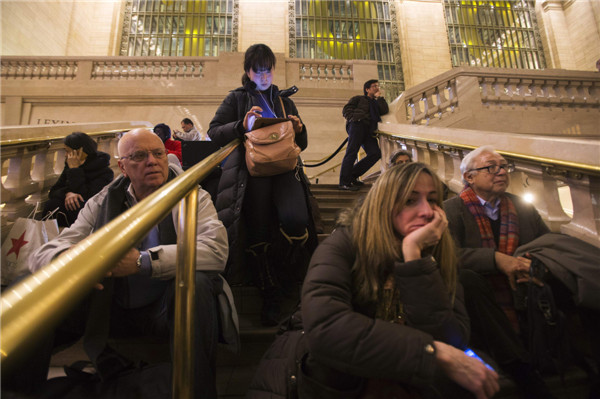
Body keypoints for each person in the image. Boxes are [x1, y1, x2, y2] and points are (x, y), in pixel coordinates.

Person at [4, 128, 230, 399]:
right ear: (122, 166)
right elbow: (48, 250)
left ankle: (197, 391)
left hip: (167, 306)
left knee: (198, 284)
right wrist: (70, 262)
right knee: (29, 287)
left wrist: (143, 262)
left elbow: (216, 251)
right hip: (110, 303)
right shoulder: (104, 199)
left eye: (158, 153)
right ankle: (17, 391)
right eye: (139, 155)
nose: (152, 161)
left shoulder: (193, 196)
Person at [297, 163, 499, 398]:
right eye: (410, 201)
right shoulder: (343, 245)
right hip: (344, 381)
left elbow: (451, 337)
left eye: (433, 200)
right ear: (384, 205)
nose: (426, 211)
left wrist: (413, 257)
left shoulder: (438, 253)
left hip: (411, 380)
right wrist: (429, 351)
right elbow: (326, 329)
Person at [207, 43, 317, 326]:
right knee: (258, 232)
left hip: (285, 171)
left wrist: (300, 129)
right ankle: (270, 292)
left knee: (296, 220)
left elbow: (300, 144)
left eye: (269, 70)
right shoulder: (238, 98)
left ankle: (288, 279)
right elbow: (214, 131)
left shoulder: (284, 100)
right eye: (260, 71)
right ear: (248, 71)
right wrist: (241, 125)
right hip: (251, 175)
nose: (265, 76)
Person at [444, 145, 555, 397]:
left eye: (504, 166)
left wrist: (529, 263)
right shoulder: (451, 210)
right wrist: (496, 260)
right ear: (469, 177)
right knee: (468, 281)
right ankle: (521, 367)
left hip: (524, 288)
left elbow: (547, 244)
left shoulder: (522, 207)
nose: (501, 172)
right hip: (479, 298)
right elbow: (448, 256)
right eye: (491, 167)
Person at [42, 131, 114, 227]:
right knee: (52, 204)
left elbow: (86, 196)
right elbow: (54, 191)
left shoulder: (104, 171)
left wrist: (75, 170)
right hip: (68, 210)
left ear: (80, 151)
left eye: (68, 151)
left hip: (90, 214)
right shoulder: (70, 164)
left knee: (75, 206)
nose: (66, 155)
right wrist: (68, 193)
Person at [339, 79, 389, 191]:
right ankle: (344, 182)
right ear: (367, 89)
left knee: (375, 153)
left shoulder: (377, 103)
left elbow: (384, 110)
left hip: (369, 130)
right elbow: (346, 109)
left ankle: (351, 176)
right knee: (351, 152)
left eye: (377, 86)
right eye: (374, 86)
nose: (377, 88)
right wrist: (355, 119)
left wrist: (379, 98)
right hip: (358, 125)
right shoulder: (359, 98)